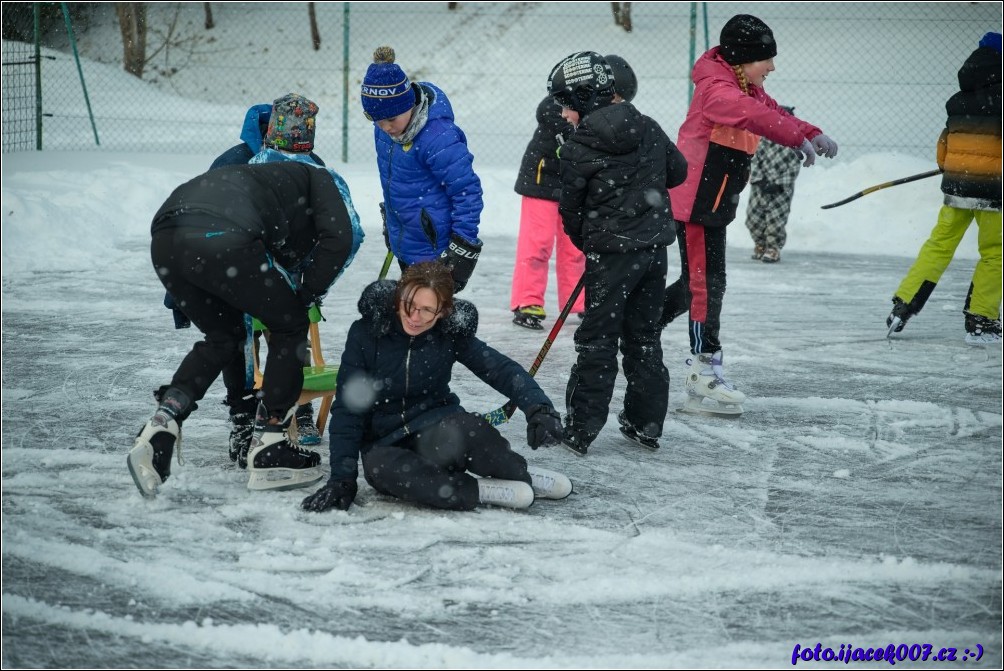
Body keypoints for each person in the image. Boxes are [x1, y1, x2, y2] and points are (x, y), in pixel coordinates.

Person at [127, 161, 358, 498]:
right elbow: (341, 237)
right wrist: (307, 293)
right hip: (223, 235)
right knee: (290, 323)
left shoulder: (263, 181)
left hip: (166, 241)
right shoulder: (322, 179)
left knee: (224, 337)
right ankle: (271, 444)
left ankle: (163, 423)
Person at [660, 14, 838, 415]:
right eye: (766, 59)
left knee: (697, 285)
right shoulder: (717, 90)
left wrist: (809, 131)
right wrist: (793, 136)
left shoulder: (743, 85)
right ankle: (703, 369)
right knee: (706, 285)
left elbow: (770, 110)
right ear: (743, 59)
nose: (772, 67)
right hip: (697, 203)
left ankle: (639, 329)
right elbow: (751, 114)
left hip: (713, 201)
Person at [300, 262, 570, 513]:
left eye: (427, 310)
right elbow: (348, 409)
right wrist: (342, 479)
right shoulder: (367, 333)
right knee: (384, 470)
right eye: (409, 305)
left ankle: (520, 475)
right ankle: (480, 490)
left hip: (437, 429)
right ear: (399, 297)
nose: (414, 317)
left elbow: (500, 370)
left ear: (442, 311)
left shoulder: (449, 333)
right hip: (385, 443)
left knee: (471, 430)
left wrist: (539, 408)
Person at [546, 51, 688, 456]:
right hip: (653, 253)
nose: (564, 115)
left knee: (598, 340)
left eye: (567, 105)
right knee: (643, 335)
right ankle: (646, 422)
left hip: (611, 259)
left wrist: (597, 242)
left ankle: (581, 427)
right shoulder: (648, 127)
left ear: (585, 98)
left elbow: (571, 212)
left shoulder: (578, 147)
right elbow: (678, 171)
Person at [887, 32, 1002, 345]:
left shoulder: (958, 101)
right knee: (996, 253)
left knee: (939, 244)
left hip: (957, 187)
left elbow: (943, 148)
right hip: (994, 192)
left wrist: (957, 167)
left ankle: (903, 305)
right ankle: (981, 320)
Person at [508, 54, 637, 330]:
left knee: (575, 246)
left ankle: (577, 302)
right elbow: (546, 112)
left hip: (576, 184)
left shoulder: (603, 118)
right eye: (614, 98)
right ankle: (527, 301)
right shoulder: (565, 102)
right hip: (542, 181)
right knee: (537, 243)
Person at [360, 46, 484, 292]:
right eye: (376, 120)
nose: (385, 127)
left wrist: (462, 244)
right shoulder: (384, 130)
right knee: (409, 308)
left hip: (435, 249)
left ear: (409, 105)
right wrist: (392, 219)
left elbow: (467, 191)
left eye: (391, 119)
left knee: (427, 310)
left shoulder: (438, 138)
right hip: (406, 239)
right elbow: (395, 180)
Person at [744, 105, 802, 264]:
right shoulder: (764, 140)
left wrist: (779, 184)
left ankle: (773, 248)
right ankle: (760, 244)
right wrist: (760, 180)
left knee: (775, 220)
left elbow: (794, 167)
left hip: (780, 190)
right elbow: (754, 160)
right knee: (753, 219)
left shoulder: (794, 144)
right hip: (760, 187)